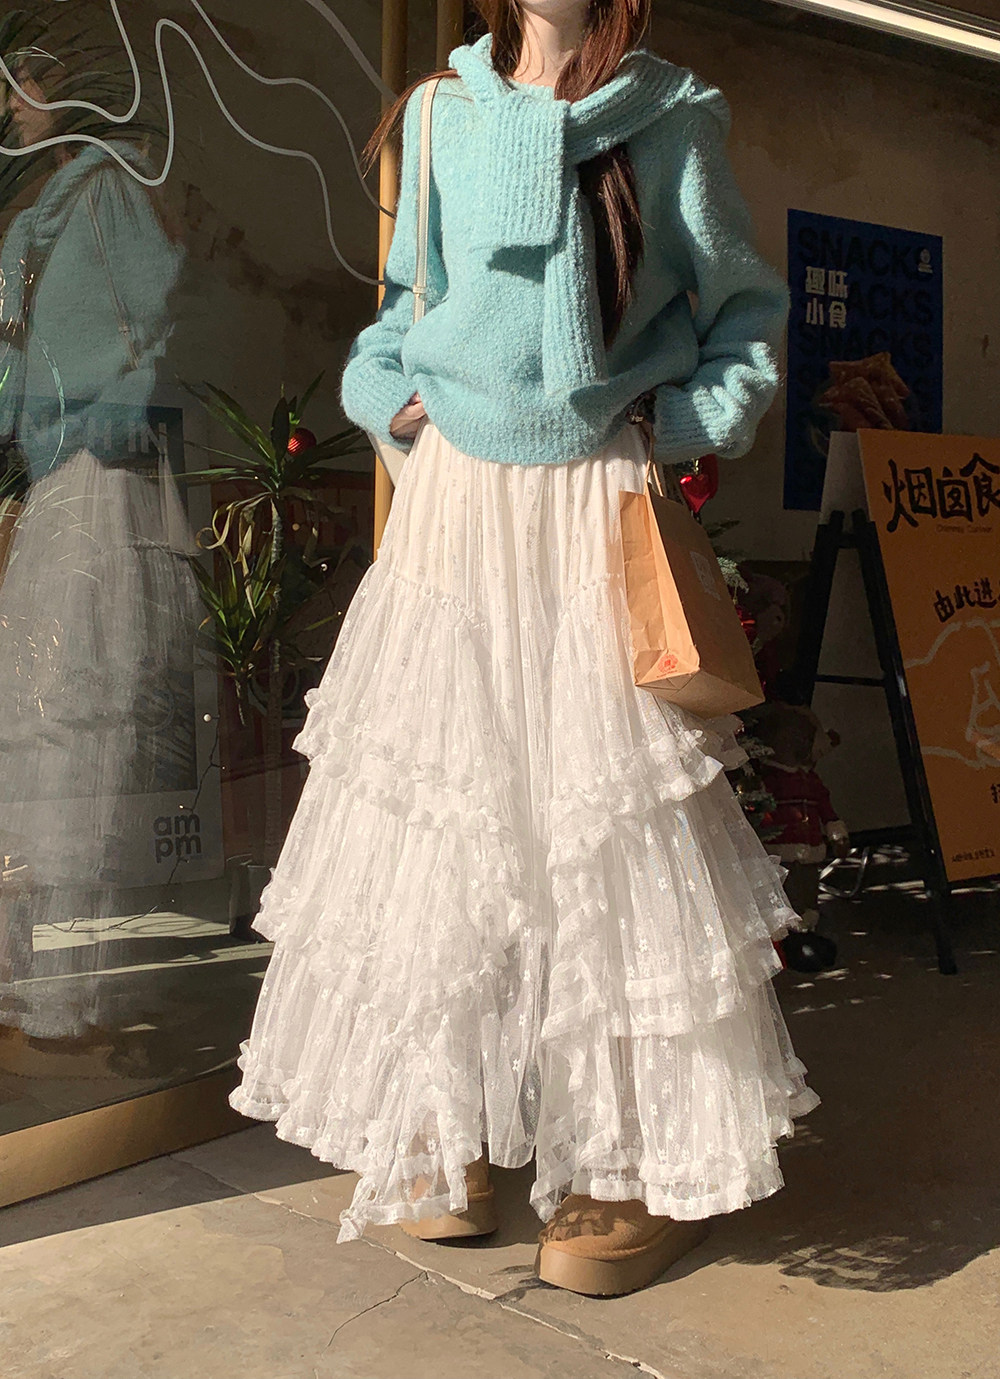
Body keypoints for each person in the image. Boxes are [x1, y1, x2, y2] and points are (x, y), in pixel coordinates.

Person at [231, 0, 818, 1296]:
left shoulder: (671, 115)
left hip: (597, 502)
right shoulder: (438, 114)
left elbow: (746, 315)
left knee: (602, 828)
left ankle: (623, 1159)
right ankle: (446, 1120)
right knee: (446, 814)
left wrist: (674, 428)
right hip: (455, 510)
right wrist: (395, 400)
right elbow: (399, 313)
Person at [0, 52, 200, 1043]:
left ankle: (75, 987)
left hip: (99, 476)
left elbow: (162, 312)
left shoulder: (107, 190)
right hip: (52, 480)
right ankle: (35, 975)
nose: (12, 102)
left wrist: (110, 410)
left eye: (28, 82)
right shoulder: (35, 220)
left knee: (82, 716)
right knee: (41, 721)